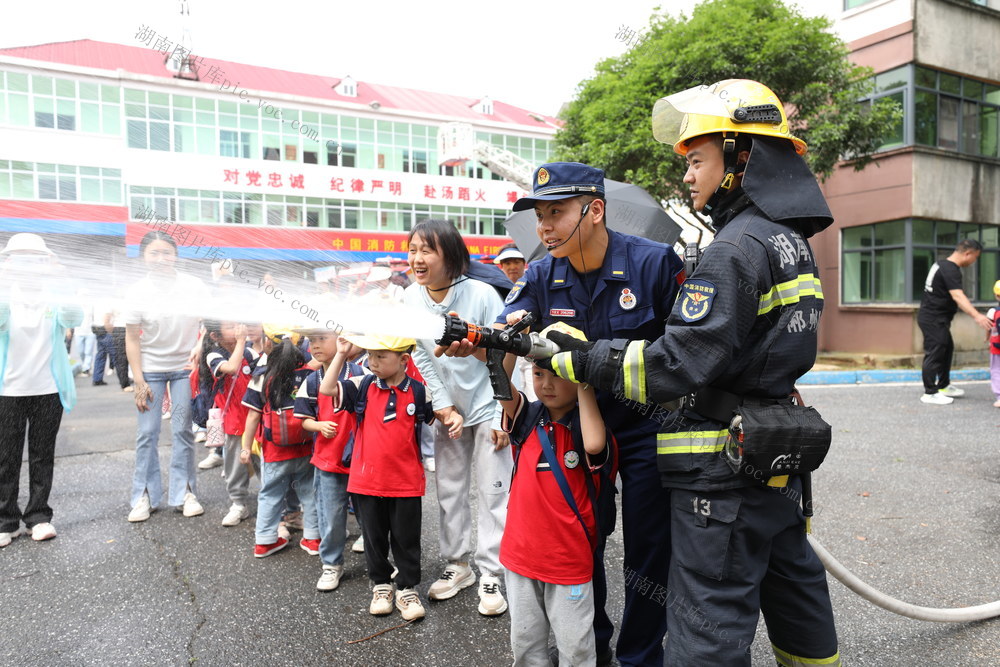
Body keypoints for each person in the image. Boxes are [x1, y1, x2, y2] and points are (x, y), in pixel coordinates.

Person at [537, 79, 840, 666]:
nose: (687, 176)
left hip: (720, 480)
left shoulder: (735, 247)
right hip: (775, 464)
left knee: (708, 620)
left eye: (697, 159)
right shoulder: (789, 242)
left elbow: (676, 364)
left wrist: (577, 358)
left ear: (740, 157)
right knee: (796, 599)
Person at [494, 162, 685, 666]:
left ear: (594, 210)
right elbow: (502, 329)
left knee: (649, 547)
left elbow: (686, 351)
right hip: (579, 427)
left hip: (648, 426)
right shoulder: (539, 274)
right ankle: (591, 644)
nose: (544, 228)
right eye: (539, 216)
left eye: (556, 212)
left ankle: (641, 654)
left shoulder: (656, 264)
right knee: (583, 536)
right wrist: (487, 340)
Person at [401, 219, 513, 617]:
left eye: (426, 250)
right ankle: (458, 565)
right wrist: (443, 403)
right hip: (448, 408)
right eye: (413, 249)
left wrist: (503, 413)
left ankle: (491, 572)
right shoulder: (410, 299)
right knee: (449, 488)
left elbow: (505, 354)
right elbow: (419, 355)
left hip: (489, 405)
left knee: (493, 490)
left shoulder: (482, 294)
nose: (417, 258)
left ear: (450, 254)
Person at [319, 334, 442, 620]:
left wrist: (455, 418)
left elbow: (442, 415)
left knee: (406, 538)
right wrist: (340, 354)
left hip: (406, 481)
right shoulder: (361, 385)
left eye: (381, 356)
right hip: (366, 480)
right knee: (373, 538)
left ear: (403, 360)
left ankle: (407, 589)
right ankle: (381, 585)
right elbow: (327, 389)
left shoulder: (421, 392)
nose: (372, 362)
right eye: (371, 355)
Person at [498, 356, 611, 665]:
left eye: (559, 376)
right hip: (520, 558)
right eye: (538, 374)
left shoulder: (587, 427)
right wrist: (507, 342)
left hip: (568, 562)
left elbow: (594, 445)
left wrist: (582, 374)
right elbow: (496, 380)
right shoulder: (526, 418)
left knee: (575, 649)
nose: (546, 384)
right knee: (525, 645)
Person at [0, 233, 82, 547]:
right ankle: (6, 519)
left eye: (35, 260)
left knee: (41, 456)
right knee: (6, 458)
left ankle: (38, 517)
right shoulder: (6, 294)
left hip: (48, 389)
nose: (28, 266)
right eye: (20, 260)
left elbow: (73, 317)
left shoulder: (54, 294)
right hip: (8, 390)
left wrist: (63, 281)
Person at [124, 231, 208, 522]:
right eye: (154, 253)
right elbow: (132, 338)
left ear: (176, 255)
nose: (161, 259)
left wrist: (199, 344)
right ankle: (143, 496)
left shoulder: (194, 286)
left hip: (184, 370)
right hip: (150, 370)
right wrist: (138, 379)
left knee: (183, 429)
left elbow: (209, 322)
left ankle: (184, 493)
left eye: (166, 253)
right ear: (144, 257)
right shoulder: (136, 291)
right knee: (147, 433)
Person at [293, 330, 366, 591]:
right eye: (311, 341)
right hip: (327, 459)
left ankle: (376, 556)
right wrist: (319, 425)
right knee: (332, 516)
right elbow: (303, 417)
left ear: (341, 339)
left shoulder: (360, 373)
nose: (315, 345)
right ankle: (332, 563)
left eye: (322, 339)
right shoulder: (312, 381)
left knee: (368, 513)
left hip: (361, 457)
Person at [240, 333, 319, 558]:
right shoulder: (310, 376)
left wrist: (245, 448)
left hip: (275, 449)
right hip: (305, 447)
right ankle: (313, 539)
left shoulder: (262, 378)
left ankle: (265, 542)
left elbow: (253, 417)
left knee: (270, 493)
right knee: (309, 492)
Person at [917, 239, 991, 405]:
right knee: (935, 352)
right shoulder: (950, 270)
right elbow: (958, 296)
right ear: (968, 253)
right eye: (975, 257)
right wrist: (977, 316)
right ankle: (930, 392)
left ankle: (943, 385)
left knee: (946, 349)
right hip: (933, 317)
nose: (974, 262)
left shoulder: (942, 264)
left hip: (935, 317)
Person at [201, 320, 260, 526]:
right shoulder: (214, 355)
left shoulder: (250, 353)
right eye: (229, 327)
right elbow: (232, 367)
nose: (236, 328)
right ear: (215, 337)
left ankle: (278, 506)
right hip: (234, 421)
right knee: (235, 466)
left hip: (256, 420)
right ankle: (238, 503)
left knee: (263, 464)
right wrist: (242, 341)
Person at [987, 280, 1000, 408]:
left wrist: (986, 339)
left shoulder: (993, 312)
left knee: (996, 370)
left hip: (996, 347)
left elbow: (988, 328)